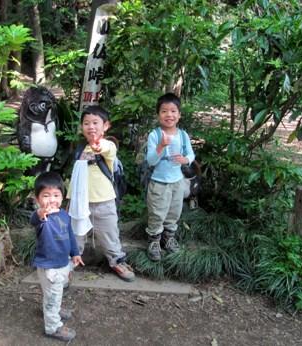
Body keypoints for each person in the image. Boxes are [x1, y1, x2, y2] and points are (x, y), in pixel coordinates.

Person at [67, 105, 135, 282]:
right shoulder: (79, 148)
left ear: (106, 126)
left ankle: (117, 261)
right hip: (78, 201)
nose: (91, 127)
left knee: (109, 234)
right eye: (86, 123)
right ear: (81, 126)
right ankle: (68, 266)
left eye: (96, 123)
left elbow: (107, 148)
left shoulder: (108, 145)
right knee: (75, 236)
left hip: (104, 201)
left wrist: (98, 146)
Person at [30, 171, 85, 342]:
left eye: (56, 195)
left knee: (56, 291)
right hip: (49, 267)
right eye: (46, 195)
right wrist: (41, 213)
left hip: (63, 262)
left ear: (62, 196)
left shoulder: (64, 215)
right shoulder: (42, 217)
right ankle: (53, 327)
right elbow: (35, 219)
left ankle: (52, 308)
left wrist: (75, 253)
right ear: (37, 199)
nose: (52, 199)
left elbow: (70, 235)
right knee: (53, 293)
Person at [145, 93, 195, 261]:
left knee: (174, 212)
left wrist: (186, 159)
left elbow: (191, 154)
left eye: (173, 111)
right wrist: (161, 146)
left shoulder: (183, 135)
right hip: (159, 182)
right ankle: (154, 241)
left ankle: (169, 238)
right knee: (157, 213)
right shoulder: (155, 135)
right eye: (164, 111)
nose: (169, 115)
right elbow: (151, 161)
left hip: (177, 181)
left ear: (179, 115)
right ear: (158, 115)